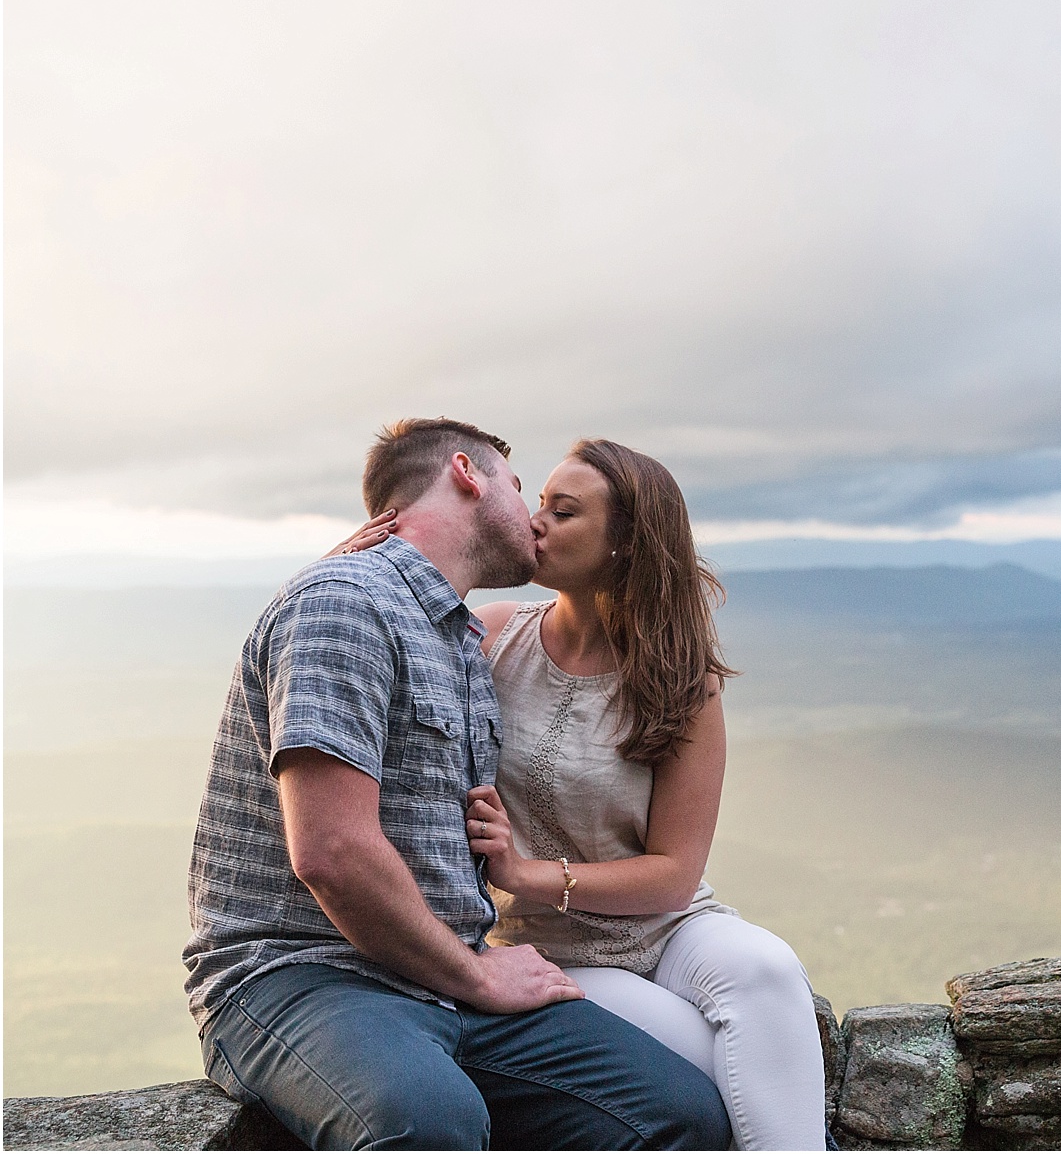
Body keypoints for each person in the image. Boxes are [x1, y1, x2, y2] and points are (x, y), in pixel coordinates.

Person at [183, 418, 731, 1151]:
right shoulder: (345, 603)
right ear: (469, 474)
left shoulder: (458, 637)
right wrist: (476, 977)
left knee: (679, 1114)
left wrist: (468, 970)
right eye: (518, 485)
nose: (535, 518)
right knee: (428, 1121)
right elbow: (332, 854)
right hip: (303, 973)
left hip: (441, 972)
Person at [337, 438, 827, 1150]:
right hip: (553, 954)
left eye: (562, 513)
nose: (534, 522)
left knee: (766, 967)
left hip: (671, 927)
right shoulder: (493, 637)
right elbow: (377, 650)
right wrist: (346, 570)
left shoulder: (682, 681)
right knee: (723, 1079)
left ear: (625, 545)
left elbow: (674, 874)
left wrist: (521, 873)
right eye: (539, 503)